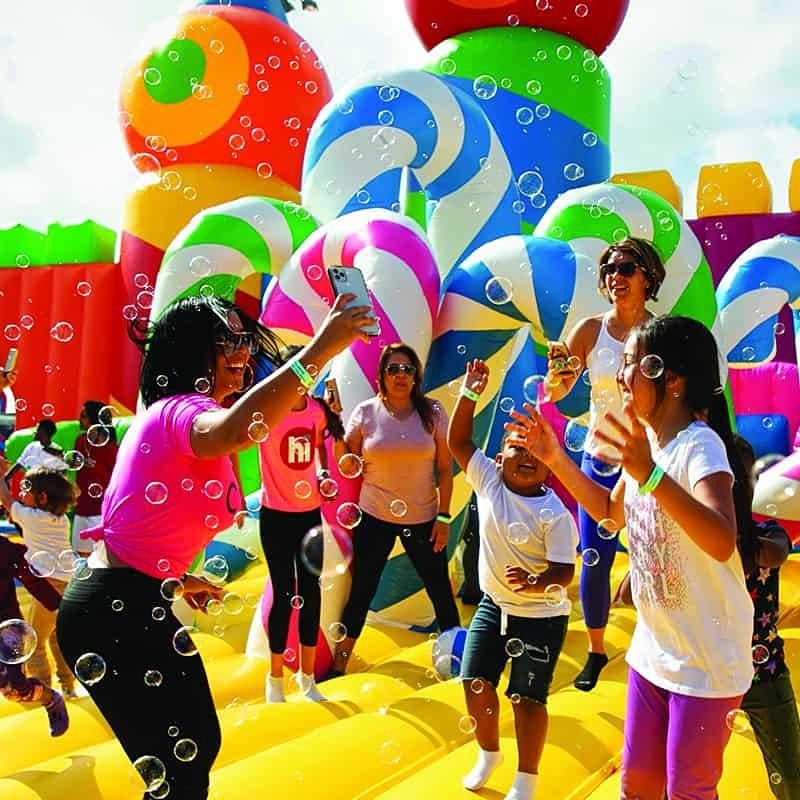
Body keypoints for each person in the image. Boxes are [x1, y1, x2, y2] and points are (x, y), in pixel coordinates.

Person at [55, 293, 375, 800]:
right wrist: (321, 348)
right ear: (190, 351)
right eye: (225, 340)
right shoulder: (180, 411)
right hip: (108, 613)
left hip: (136, 601)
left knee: (195, 751)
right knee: (181, 769)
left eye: (243, 339)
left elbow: (138, 520)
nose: (241, 351)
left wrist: (178, 578)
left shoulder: (180, 416)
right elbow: (232, 432)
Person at [509, 315, 754, 800]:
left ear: (674, 380)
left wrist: (650, 473)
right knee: (637, 785)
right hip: (653, 651)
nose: (620, 376)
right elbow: (607, 511)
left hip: (706, 662)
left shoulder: (698, 446)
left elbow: (722, 540)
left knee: (687, 791)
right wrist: (556, 458)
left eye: (631, 366)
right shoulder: (651, 445)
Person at [447, 359, 578, 800]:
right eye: (515, 450)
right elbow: (459, 440)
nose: (525, 458)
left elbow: (565, 571)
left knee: (527, 698)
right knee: (474, 682)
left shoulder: (554, 513)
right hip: (494, 606)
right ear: (498, 458)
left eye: (534, 452)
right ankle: (488, 752)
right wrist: (469, 393)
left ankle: (528, 777)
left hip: (541, 616)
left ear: (549, 465)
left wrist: (537, 581)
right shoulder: (489, 483)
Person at [544, 237, 666, 692]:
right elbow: (557, 392)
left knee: (655, 557)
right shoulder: (589, 331)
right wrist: (556, 377)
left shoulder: (662, 333)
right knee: (595, 560)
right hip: (599, 457)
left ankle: (658, 648)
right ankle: (596, 651)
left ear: (648, 276)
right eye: (611, 268)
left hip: (648, 462)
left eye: (628, 266)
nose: (617, 275)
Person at [330, 343, 460, 675]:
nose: (401, 375)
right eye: (393, 369)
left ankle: (462, 663)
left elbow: (445, 469)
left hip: (424, 518)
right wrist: (333, 421)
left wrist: (444, 517)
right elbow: (348, 462)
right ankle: (338, 664)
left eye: (407, 369)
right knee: (362, 592)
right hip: (374, 516)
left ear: (416, 375)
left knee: (441, 593)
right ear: (382, 375)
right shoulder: (366, 412)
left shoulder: (432, 413)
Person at [260, 344, 345, 704]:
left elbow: (323, 453)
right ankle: (275, 678)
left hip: (308, 513)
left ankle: (307, 678)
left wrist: (325, 476)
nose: (304, 379)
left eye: (310, 371)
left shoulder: (317, 412)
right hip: (275, 514)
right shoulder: (266, 412)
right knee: (282, 594)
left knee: (310, 594)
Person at [734, 435, 800, 798]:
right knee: (685, 773)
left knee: (791, 774)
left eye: (741, 481)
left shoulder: (768, 533)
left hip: (765, 671)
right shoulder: (693, 535)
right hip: (710, 674)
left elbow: (774, 553)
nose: (732, 490)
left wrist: (725, 537)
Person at [0, 466, 78, 698]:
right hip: (67, 583)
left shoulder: (32, 518)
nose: (21, 495)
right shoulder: (61, 519)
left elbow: (6, 499)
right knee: (57, 638)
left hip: (49, 585)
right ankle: (68, 686)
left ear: (42, 498)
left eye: (26, 490)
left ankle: (42, 690)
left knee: (33, 642)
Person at [0, 527, 69, 736]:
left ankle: (50, 699)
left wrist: (60, 606)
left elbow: (32, 579)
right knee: (5, 687)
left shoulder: (4, 549)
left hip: (8, 631)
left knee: (16, 688)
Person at [72, 400, 119, 555]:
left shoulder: (110, 447)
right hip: (82, 508)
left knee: (99, 556)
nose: (80, 419)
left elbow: (117, 480)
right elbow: (73, 464)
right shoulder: (79, 441)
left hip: (100, 512)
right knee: (80, 555)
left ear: (94, 420)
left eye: (84, 416)